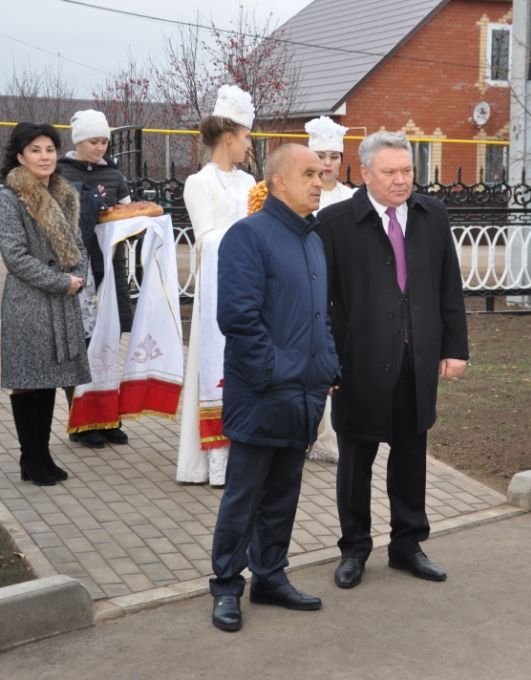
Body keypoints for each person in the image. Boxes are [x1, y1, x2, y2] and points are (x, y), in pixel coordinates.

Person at [317, 131, 469, 589]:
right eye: (390, 172)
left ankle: (407, 545)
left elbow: (449, 285)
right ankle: (354, 549)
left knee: (410, 456)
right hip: (358, 362)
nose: (402, 180)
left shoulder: (431, 215)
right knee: (355, 461)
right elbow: (321, 300)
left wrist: (454, 348)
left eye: (407, 170)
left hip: (416, 359)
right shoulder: (336, 222)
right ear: (365, 173)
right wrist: (326, 362)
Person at [209, 144, 339, 632]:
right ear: (278, 182)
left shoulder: (312, 239)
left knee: (285, 491)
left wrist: (326, 365)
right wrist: (272, 373)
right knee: (244, 495)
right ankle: (226, 585)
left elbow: (320, 314)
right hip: (263, 391)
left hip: (305, 391)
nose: (319, 179)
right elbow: (238, 319)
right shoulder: (248, 237)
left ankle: (269, 576)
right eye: (308, 173)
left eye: (321, 173)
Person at [0, 123, 90, 486]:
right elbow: (15, 256)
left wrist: (78, 275)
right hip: (28, 302)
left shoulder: (64, 194)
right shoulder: (9, 198)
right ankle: (30, 456)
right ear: (20, 157)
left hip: (62, 301)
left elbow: (78, 245)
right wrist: (61, 281)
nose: (44, 156)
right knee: (27, 380)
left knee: (49, 378)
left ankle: (42, 454)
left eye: (50, 149)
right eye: (35, 149)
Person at [177, 85, 256, 486]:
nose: (248, 146)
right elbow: (206, 238)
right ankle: (215, 460)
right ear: (228, 136)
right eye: (245, 137)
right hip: (218, 288)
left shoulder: (249, 183)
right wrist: (248, 237)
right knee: (216, 367)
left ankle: (248, 449)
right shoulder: (200, 182)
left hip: (250, 286)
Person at [57, 109, 134, 448]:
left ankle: (107, 415)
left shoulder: (115, 175)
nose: (100, 147)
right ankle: (81, 422)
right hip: (74, 267)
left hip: (108, 267)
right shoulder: (59, 172)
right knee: (80, 346)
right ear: (78, 141)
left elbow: (130, 215)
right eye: (93, 140)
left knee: (105, 345)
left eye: (104, 140)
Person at [304, 115, 354, 464]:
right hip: (306, 290)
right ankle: (305, 433)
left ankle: (331, 436)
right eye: (320, 155)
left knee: (335, 363)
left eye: (334, 156)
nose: (327, 163)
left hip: (340, 294)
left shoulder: (350, 197)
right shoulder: (301, 193)